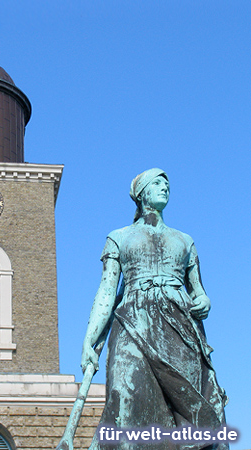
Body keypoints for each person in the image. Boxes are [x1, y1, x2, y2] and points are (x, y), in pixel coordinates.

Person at [81, 168, 228, 450]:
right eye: (157, 183)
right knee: (124, 392)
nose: (165, 187)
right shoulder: (119, 236)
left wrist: (204, 300)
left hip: (179, 326)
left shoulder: (186, 240)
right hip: (132, 320)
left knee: (185, 403)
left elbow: (198, 290)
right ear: (141, 194)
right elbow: (107, 291)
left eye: (167, 183)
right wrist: (90, 340)